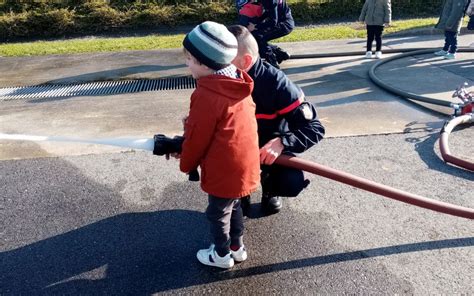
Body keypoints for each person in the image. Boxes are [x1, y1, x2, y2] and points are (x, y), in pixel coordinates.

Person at [179, 21, 261, 269]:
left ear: (205, 64)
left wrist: (186, 163)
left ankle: (221, 255)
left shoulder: (207, 94)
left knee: (216, 213)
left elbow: (197, 138)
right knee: (233, 204)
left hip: (224, 168)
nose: (187, 64)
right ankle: (237, 247)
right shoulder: (237, 83)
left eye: (191, 60)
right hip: (243, 164)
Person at [228, 25, 325, 215]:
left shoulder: (278, 84)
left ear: (246, 60)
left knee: (290, 182)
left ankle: (270, 188)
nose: (216, 65)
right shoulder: (220, 77)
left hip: (267, 149)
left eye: (224, 59)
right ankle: (242, 192)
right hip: (236, 148)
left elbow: (315, 128)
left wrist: (282, 142)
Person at [237, 0, 294, 68]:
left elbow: (273, 22)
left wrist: (255, 26)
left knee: (259, 37)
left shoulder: (269, 1)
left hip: (284, 24)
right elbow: (268, 12)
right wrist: (257, 21)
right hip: (281, 21)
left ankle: (273, 63)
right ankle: (280, 54)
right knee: (255, 36)